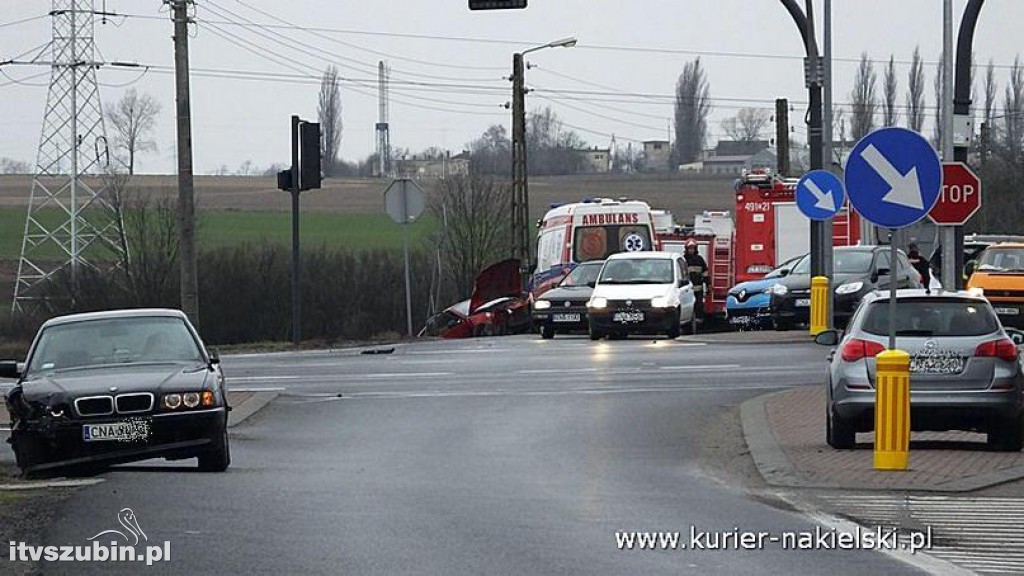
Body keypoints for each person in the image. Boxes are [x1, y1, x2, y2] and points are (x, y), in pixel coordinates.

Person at [684, 240, 709, 320]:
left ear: (695, 249)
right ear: (686, 249)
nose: (691, 250)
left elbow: (705, 273)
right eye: (689, 248)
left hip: (698, 288)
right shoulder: (684, 260)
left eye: (693, 248)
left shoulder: (700, 259)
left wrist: (708, 285)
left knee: (698, 305)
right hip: (687, 289)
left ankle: (699, 320)